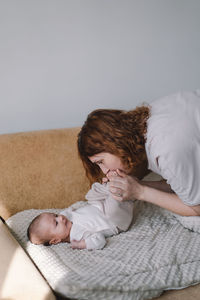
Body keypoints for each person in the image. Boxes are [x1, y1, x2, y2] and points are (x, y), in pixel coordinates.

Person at [77, 90, 200, 217]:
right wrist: (136, 185)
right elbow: (179, 184)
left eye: (100, 162)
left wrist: (140, 192)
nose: (105, 171)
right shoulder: (151, 115)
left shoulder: (165, 149)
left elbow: (196, 208)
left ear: (114, 143)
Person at [27, 180, 134, 250]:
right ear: (56, 240)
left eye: (55, 215)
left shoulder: (64, 218)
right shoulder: (77, 236)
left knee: (91, 194)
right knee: (113, 204)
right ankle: (120, 189)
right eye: (56, 223)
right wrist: (84, 244)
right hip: (114, 221)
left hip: (100, 206)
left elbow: (68, 211)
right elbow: (99, 240)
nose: (60, 218)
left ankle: (109, 185)